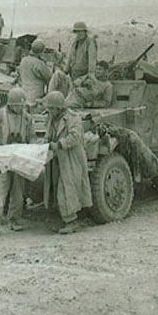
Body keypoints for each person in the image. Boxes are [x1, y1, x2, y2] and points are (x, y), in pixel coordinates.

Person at [0, 88, 36, 237]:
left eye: (22, 105)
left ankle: (15, 219)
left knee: (18, 192)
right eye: (17, 105)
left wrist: (31, 147)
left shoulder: (27, 118)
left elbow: (32, 136)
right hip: (2, 159)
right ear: (10, 104)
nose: (20, 108)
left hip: (19, 159)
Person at [40, 91, 92, 234]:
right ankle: (63, 218)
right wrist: (46, 142)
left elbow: (76, 136)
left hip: (70, 157)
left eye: (52, 108)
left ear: (60, 108)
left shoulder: (73, 118)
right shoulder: (51, 118)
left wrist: (60, 144)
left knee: (67, 188)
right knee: (56, 188)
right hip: (57, 158)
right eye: (49, 109)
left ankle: (72, 220)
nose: (50, 111)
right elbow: (48, 134)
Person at [17, 39, 52, 105]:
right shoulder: (39, 63)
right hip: (36, 97)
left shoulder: (24, 60)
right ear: (41, 52)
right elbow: (49, 78)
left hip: (24, 94)